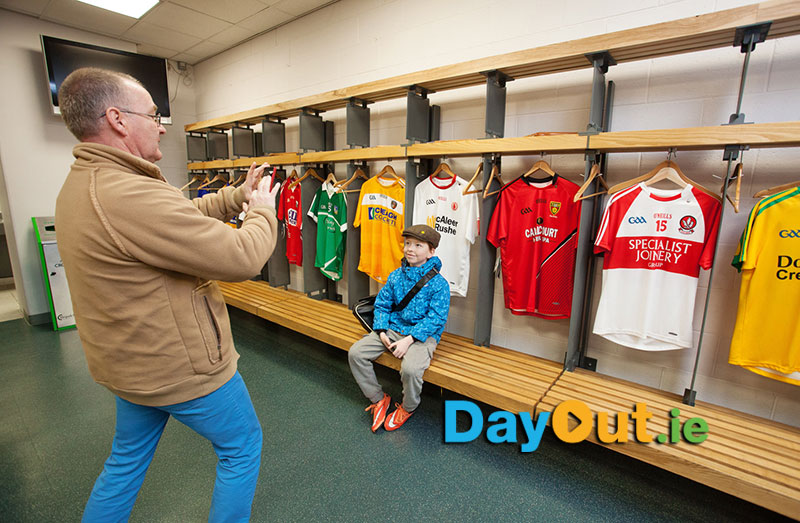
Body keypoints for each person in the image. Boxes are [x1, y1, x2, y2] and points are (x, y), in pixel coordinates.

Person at [54, 67, 280, 522]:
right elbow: (240, 257)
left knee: (125, 462)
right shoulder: (125, 193)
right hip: (177, 366)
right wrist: (262, 212)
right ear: (117, 119)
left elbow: (176, 218)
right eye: (154, 115)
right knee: (241, 446)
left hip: (132, 363)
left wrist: (236, 196)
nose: (161, 125)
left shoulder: (92, 180)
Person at [348, 224, 450, 432]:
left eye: (418, 245)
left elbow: (437, 318)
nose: (410, 249)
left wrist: (409, 339)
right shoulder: (396, 276)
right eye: (408, 244)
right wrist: (382, 331)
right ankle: (379, 399)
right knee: (356, 353)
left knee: (411, 369)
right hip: (393, 329)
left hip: (422, 336)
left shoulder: (440, 284)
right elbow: (383, 304)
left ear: (431, 251)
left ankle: (408, 407)